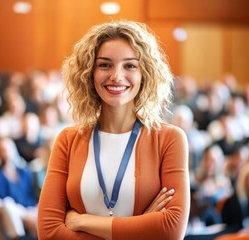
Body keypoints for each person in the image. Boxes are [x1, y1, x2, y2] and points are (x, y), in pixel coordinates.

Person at [37, 20, 190, 239]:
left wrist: (83, 222)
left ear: (144, 74)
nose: (116, 76)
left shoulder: (169, 139)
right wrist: (141, 226)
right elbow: (49, 232)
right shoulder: (68, 140)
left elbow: (172, 229)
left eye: (130, 65)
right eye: (105, 65)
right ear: (89, 72)